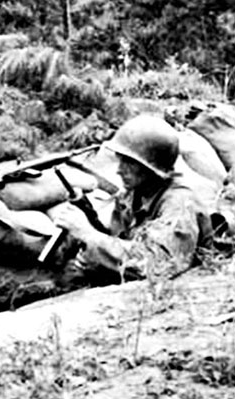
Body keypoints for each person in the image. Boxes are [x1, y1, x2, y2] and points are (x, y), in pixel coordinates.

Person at [52, 115, 213, 289]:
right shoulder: (132, 195)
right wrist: (86, 215)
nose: (120, 170)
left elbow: (157, 263)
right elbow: (116, 240)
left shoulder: (179, 203)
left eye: (130, 163)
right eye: (120, 160)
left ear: (152, 168)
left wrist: (88, 234)